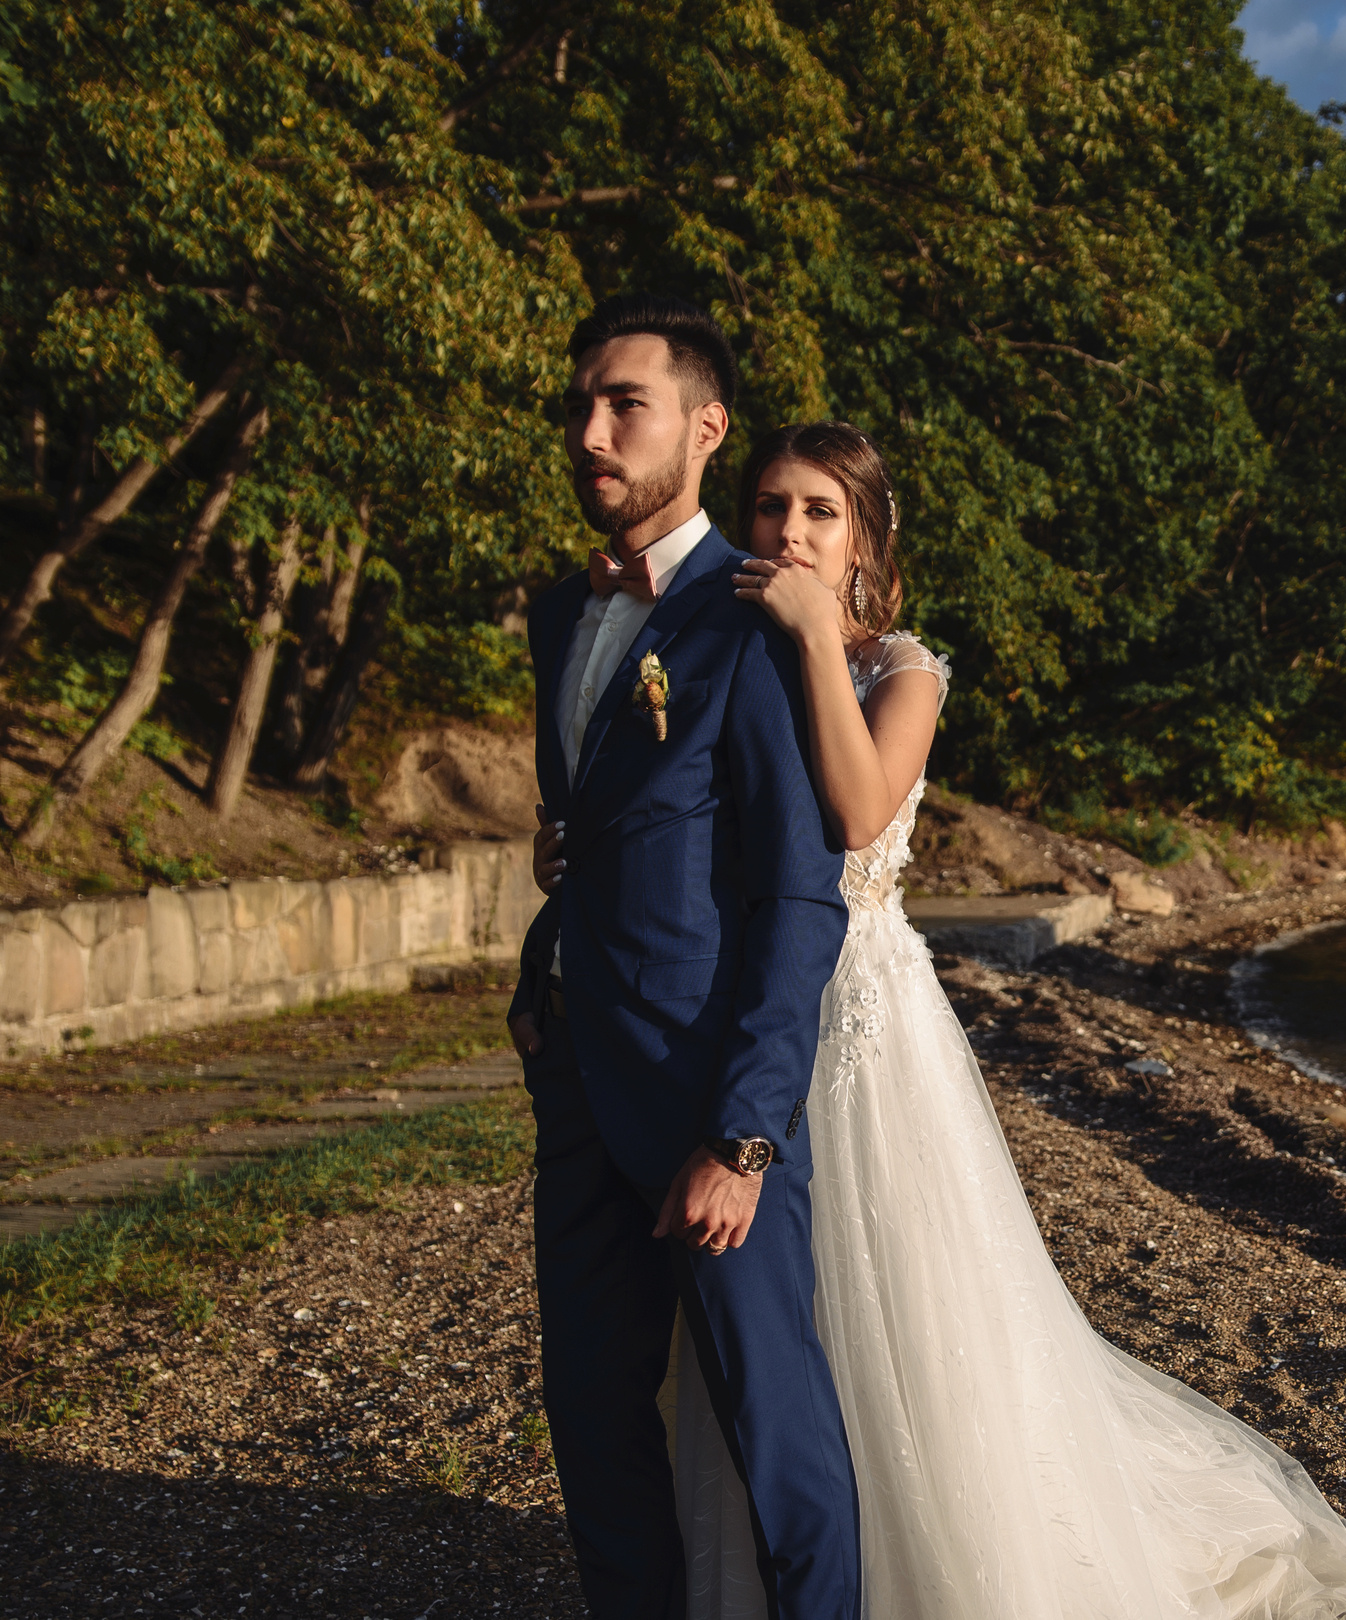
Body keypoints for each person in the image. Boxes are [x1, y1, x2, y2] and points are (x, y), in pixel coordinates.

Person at [547, 418, 1346, 1618]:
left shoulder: (902, 670)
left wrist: (813, 636)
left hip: (860, 1018)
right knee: (760, 1322)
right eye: (770, 508)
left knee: (896, 1305)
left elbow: (855, 816)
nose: (789, 532)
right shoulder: (717, 641)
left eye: (820, 513)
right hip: (742, 1012)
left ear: (866, 540)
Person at [506, 297, 865, 1619]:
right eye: (580, 407)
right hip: (577, 1078)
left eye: (626, 407)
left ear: (706, 430)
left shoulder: (760, 617)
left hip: (707, 1091)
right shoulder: (562, 613)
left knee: (774, 1422)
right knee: (592, 1411)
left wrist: (747, 1133)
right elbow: (603, 821)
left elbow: (799, 894)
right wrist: (544, 965)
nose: (591, 434)